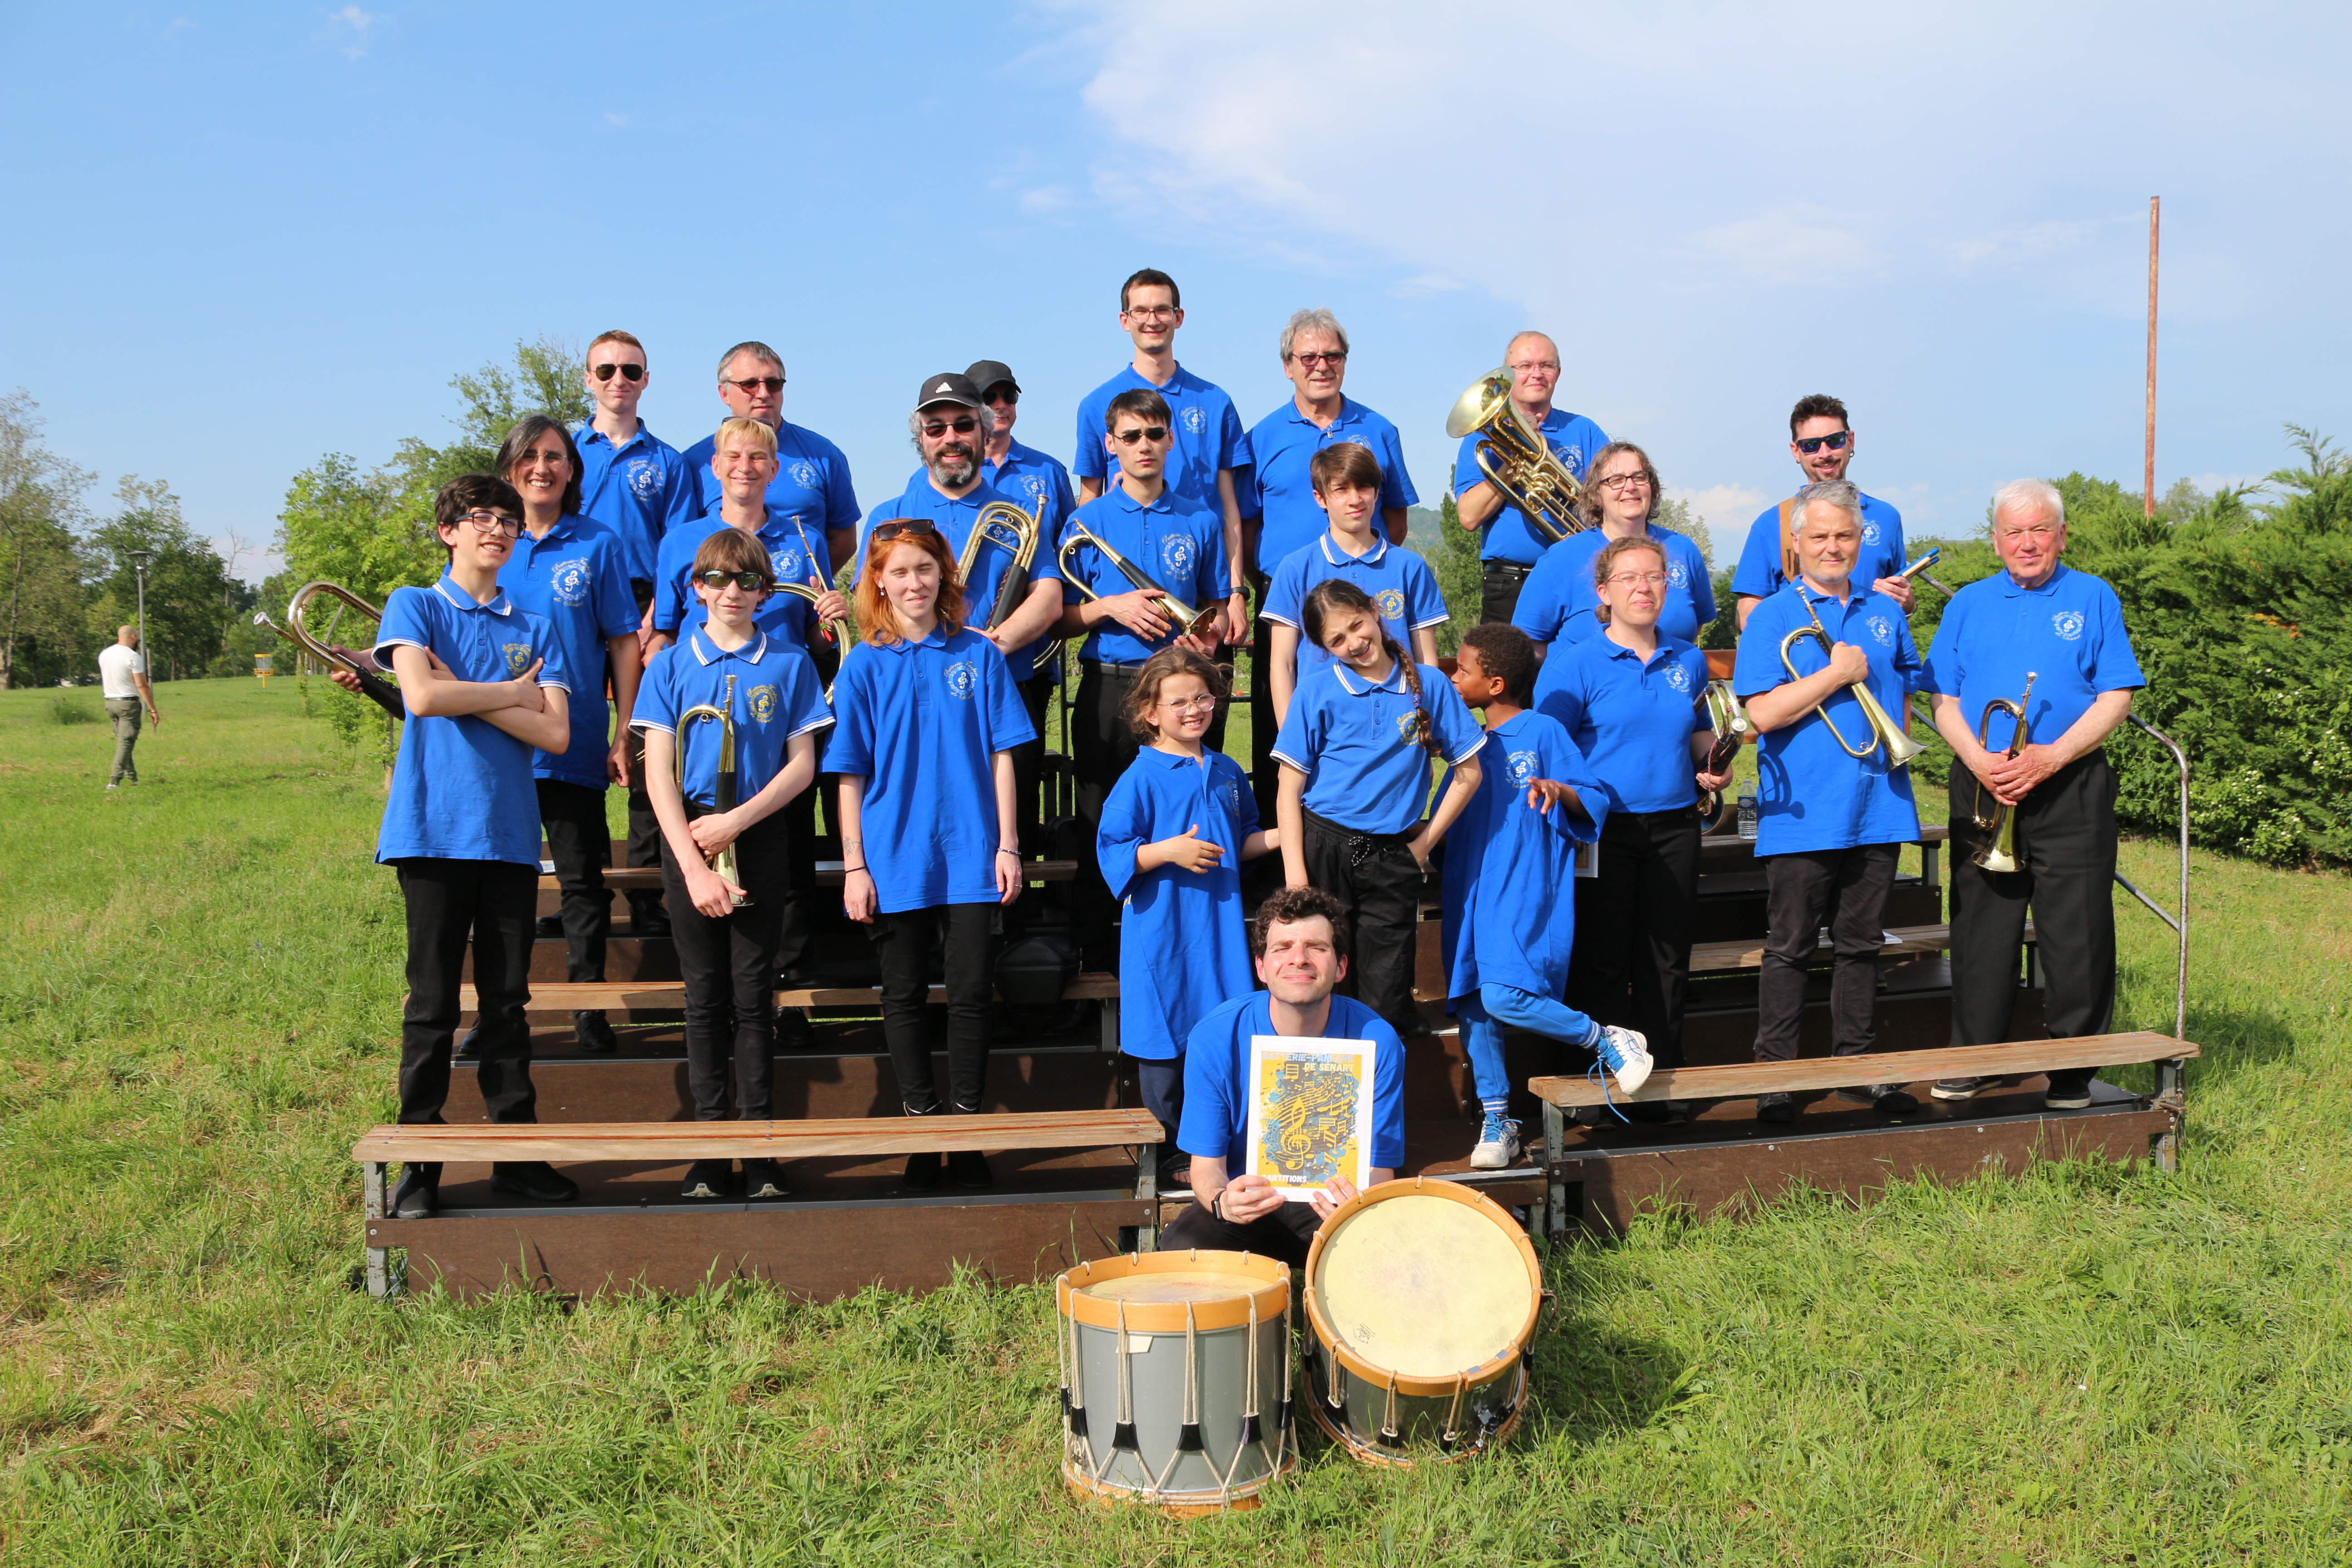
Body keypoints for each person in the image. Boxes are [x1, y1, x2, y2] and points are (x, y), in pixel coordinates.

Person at [373, 475, 578, 1220]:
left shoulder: (538, 623)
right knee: (431, 1004)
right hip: (431, 831)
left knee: (507, 1005)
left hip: (510, 838)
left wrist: (471, 687)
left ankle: (516, 1158)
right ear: (447, 532)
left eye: (507, 520)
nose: (496, 528)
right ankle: (418, 1164)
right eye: (479, 517)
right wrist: (511, 692)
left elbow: (555, 733)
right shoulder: (416, 604)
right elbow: (421, 698)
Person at [826, 518, 1035, 1190]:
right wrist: (855, 865)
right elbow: (850, 774)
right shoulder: (863, 664)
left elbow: (1005, 757)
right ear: (878, 583)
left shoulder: (978, 655)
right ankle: (923, 1127)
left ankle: (967, 1132)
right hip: (893, 857)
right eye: (899, 571)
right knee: (904, 996)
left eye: (925, 568)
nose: (914, 582)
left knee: (973, 994)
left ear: (945, 574)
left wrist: (1008, 845)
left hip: (974, 851)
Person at [1923, 479, 2145, 1108]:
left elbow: (2117, 696)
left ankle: (2072, 1070)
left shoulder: (2093, 596)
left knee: (2078, 931)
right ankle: (1975, 1059)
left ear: (2061, 535)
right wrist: (1977, 758)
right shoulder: (1966, 603)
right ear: (1995, 540)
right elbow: (1944, 697)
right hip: (1985, 783)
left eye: (2039, 529)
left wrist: (2051, 756)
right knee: (1980, 930)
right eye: (2014, 532)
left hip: (2069, 781)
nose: (2027, 543)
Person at [637, 529, 833, 1200]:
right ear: (696, 588)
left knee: (754, 999)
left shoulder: (790, 661)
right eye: (718, 580)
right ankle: (709, 1151)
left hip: (760, 833)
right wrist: (694, 865)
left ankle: (759, 1149)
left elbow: (802, 765)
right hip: (688, 835)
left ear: (764, 593)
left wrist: (738, 823)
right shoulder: (668, 663)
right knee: (703, 1000)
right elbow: (657, 772)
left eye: (747, 582)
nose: (732, 593)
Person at [1732, 479, 1925, 1123]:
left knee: (1862, 946)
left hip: (1877, 803)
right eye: (1819, 536)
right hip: (1801, 812)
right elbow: (1760, 713)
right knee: (1790, 947)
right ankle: (1777, 1080)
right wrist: (1835, 675)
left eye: (1844, 536)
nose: (1833, 547)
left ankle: (1858, 1069)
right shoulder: (1773, 617)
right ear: (1796, 544)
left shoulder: (1886, 610)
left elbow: (1908, 687)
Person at [647, 417, 849, 1004]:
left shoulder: (803, 537)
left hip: (778, 720)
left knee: (786, 858)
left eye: (758, 459)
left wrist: (831, 618)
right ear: (715, 467)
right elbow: (662, 631)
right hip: (699, 718)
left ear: (775, 469)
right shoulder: (682, 540)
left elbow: (817, 640)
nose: (746, 467)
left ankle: (787, 979)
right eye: (734, 457)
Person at [1535, 536, 1734, 1121]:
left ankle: (1662, 1086)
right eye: (1629, 579)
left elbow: (1696, 730)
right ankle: (1597, 1089)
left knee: (1667, 959)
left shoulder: (1687, 660)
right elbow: (1550, 744)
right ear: (1604, 592)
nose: (1644, 588)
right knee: (1602, 960)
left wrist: (1712, 761)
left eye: (1655, 577)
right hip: (1602, 830)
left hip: (1674, 825)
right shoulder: (1574, 663)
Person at [1444, 622, 1650, 1166]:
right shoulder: (1465, 741)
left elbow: (1593, 799)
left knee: (1501, 995)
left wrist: (1559, 790)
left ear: (1495, 684)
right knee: (1473, 1005)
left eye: (1462, 669)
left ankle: (1607, 1040)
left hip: (1522, 886)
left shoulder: (1543, 732)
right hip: (1469, 889)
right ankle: (1498, 1122)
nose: (1453, 675)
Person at [1056, 387, 1232, 970]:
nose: (1144, 446)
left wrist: (1209, 636)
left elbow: (1216, 608)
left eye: (1155, 434)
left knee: (1184, 817)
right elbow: (1059, 617)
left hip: (1179, 692)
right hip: (1111, 684)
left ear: (1171, 439)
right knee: (1099, 820)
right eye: (1130, 436)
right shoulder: (1085, 521)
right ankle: (1098, 952)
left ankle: (1183, 948)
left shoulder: (1200, 519)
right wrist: (1111, 608)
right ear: (1110, 446)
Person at [1273, 578, 1486, 1040]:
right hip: (1321, 849)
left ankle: (1378, 1106)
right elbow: (1288, 790)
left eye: (1356, 625)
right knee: (1320, 989)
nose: (1354, 643)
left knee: (1385, 1001)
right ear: (1324, 648)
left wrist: (1423, 845)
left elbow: (1470, 773)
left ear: (1374, 610)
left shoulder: (1428, 685)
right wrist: (1297, 880)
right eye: (1337, 641)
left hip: (1392, 857)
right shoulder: (1316, 691)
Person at [1095, 648, 1277, 1184]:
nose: (1194, 710)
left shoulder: (1225, 770)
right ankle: (1175, 1150)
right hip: (1163, 931)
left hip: (1219, 928)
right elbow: (1113, 850)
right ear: (1151, 712)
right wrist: (1167, 852)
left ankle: (1226, 1146)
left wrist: (1286, 836)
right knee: (1165, 1034)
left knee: (1225, 1031)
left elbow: (1239, 840)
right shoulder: (1141, 777)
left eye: (1202, 698)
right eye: (1178, 702)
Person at [490, 416, 643, 1055]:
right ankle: (503, 1021)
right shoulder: (487, 542)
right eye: (530, 457)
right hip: (495, 748)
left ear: (572, 470)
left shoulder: (598, 544)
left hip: (571, 741)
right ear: (509, 470)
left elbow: (623, 641)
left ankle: (589, 1010)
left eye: (555, 456)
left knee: (581, 882)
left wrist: (624, 730)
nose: (543, 467)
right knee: (504, 888)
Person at [1160, 887, 1406, 1265]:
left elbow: (1380, 1168)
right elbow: (1207, 1169)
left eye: (1316, 947)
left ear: (1340, 967)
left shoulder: (1376, 1040)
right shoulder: (1215, 1036)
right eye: (1283, 947)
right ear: (1261, 967)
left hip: (1335, 1205)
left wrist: (1357, 1206)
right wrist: (1223, 1202)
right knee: (1183, 1247)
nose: (1299, 959)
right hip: (1252, 1202)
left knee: (1397, 1251)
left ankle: (1325, 1320)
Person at [1241, 311, 1419, 815]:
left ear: (1345, 361)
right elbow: (1250, 524)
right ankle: (1284, 867)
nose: (1321, 366)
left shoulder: (1379, 429)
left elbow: (1397, 518)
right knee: (1278, 726)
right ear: (1287, 367)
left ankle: (1374, 834)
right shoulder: (1263, 436)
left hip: (1368, 595)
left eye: (1332, 356)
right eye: (1309, 357)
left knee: (1373, 718)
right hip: (1288, 594)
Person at [572, 330, 698, 936]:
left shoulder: (668, 462)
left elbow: (678, 549)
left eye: (631, 370)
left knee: (647, 744)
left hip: (645, 607)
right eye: (606, 371)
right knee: (575, 741)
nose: (618, 380)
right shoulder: (564, 453)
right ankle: (583, 887)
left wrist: (652, 624)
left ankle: (646, 893)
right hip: (574, 606)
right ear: (588, 379)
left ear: (646, 380)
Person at [1071, 269, 1250, 645]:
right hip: (1131, 586)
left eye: (1162, 310)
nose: (1152, 320)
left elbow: (1229, 507)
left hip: (1204, 586)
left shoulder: (1216, 401)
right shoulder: (1094, 404)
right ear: (1125, 321)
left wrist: (1236, 593)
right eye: (1141, 311)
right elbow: (1090, 497)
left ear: (1178, 318)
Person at [1262, 442, 1448, 735]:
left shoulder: (1410, 567)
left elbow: (1427, 662)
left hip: (1399, 729)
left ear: (1377, 492)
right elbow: (1282, 665)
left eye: (1364, 487)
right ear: (1320, 498)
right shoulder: (1295, 568)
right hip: (1322, 729)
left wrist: (1428, 723)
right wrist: (1291, 739)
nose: (1355, 499)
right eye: (1341, 490)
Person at [967, 358, 1078, 846]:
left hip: (1030, 660)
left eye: (1007, 397)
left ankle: (1022, 900)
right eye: (990, 398)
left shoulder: (1047, 471)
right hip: (965, 654)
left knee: (1023, 776)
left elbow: (1071, 558)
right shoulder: (942, 474)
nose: (1000, 407)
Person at [1452, 332, 1608, 625]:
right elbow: (1469, 517)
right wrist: (1513, 463)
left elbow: (1612, 505)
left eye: (1546, 366)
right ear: (1509, 375)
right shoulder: (1481, 439)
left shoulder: (1584, 431)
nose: (1537, 374)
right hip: (1510, 584)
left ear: (1558, 374)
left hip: (1576, 580)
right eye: (1525, 366)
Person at [1512, 441, 1715, 656]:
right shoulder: (1561, 559)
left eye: (1639, 477)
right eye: (1615, 480)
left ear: (1652, 486)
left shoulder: (1683, 549)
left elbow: (1695, 625)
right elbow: (1527, 644)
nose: (1630, 487)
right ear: (1596, 494)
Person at [1732, 394, 1913, 631]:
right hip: (1805, 663)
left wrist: (1908, 603)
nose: (1825, 453)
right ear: (1796, 452)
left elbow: (1901, 600)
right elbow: (1747, 615)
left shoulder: (1887, 517)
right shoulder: (1770, 524)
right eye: (1811, 445)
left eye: (1835, 440)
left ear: (1851, 441)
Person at [681, 343, 862, 573]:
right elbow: (685, 544)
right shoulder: (696, 462)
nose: (764, 394)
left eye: (773, 384)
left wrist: (803, 583)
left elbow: (843, 541)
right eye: (749, 385)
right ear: (724, 393)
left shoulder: (823, 455)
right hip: (724, 599)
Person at [98, 625, 158, 789]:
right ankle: (114, 782)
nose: (138, 640)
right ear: (133, 637)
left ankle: (133, 778)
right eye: (137, 637)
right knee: (126, 743)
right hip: (128, 704)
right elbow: (142, 686)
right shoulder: (133, 656)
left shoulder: (105, 654)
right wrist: (153, 709)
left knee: (124, 742)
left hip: (110, 703)